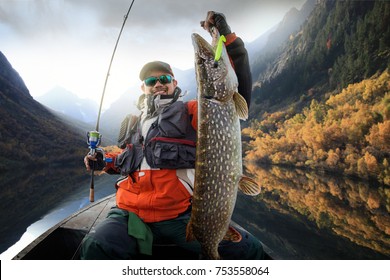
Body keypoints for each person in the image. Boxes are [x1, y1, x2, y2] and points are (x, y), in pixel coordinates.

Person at [80, 11, 264, 260]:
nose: (158, 84)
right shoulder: (133, 122)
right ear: (143, 88)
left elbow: (233, 88)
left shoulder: (195, 110)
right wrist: (104, 161)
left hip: (177, 216)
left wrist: (227, 39)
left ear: (174, 83)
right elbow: (128, 158)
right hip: (130, 213)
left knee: (249, 252)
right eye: (151, 80)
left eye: (164, 78)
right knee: (94, 247)